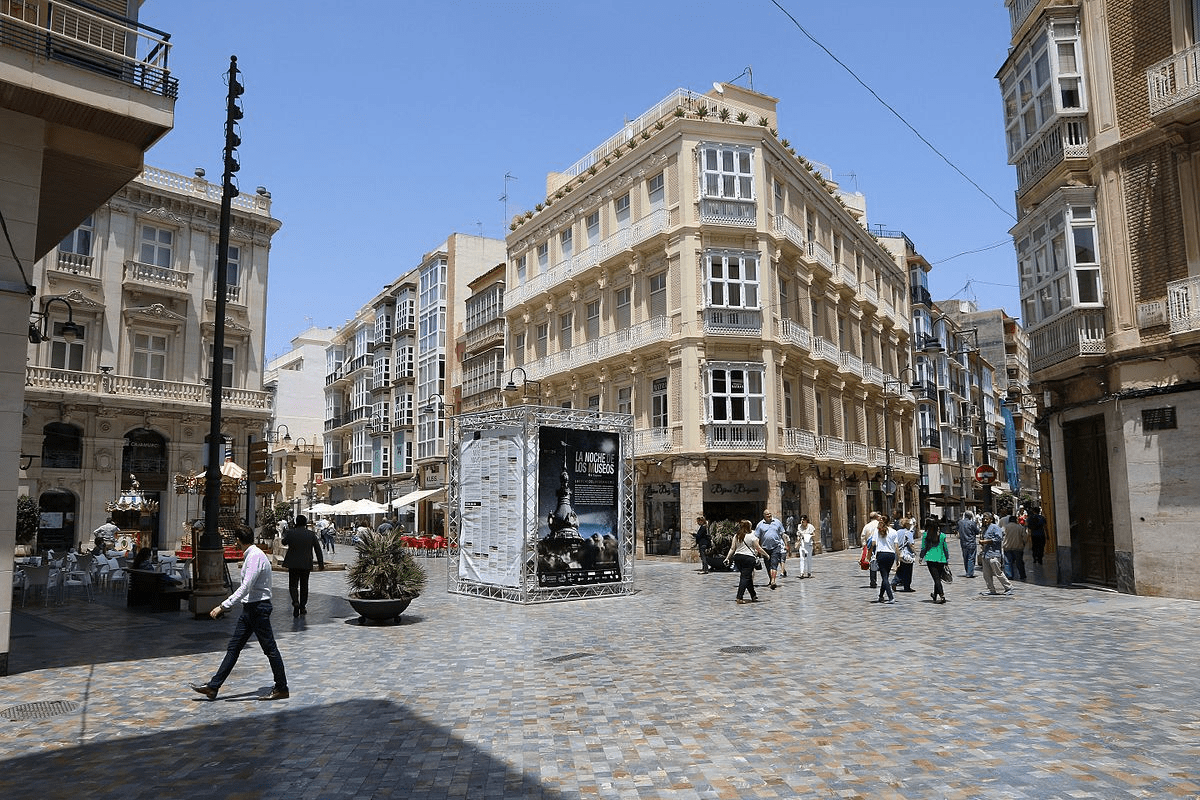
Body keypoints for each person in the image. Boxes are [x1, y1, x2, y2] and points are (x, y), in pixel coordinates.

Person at [190, 526, 289, 701]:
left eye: (236, 539)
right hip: (250, 609)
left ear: (239, 540)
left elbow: (246, 587)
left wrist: (223, 606)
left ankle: (281, 687)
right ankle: (213, 687)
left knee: (270, 649)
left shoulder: (255, 557)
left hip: (258, 608)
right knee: (234, 648)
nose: (235, 542)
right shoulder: (253, 555)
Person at [281, 515, 324, 617]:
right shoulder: (311, 534)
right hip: (306, 564)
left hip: (293, 563)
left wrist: (286, 534)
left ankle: (295, 601)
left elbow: (283, 542)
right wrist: (321, 563)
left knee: (293, 585)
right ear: (305, 523)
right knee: (304, 586)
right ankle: (303, 606)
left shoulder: (291, 533)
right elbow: (318, 549)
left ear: (296, 522)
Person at [723, 519, 771, 604]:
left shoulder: (737, 535)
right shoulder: (752, 536)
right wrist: (766, 555)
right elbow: (758, 548)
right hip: (748, 558)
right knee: (745, 577)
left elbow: (732, 548)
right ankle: (739, 597)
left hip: (738, 558)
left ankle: (753, 595)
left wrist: (727, 558)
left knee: (747, 577)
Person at [978, 512, 1014, 596]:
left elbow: (998, 538)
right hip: (985, 554)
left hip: (993, 554)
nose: (985, 520)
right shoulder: (985, 529)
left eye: (987, 519)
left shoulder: (995, 527)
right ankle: (991, 589)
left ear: (991, 519)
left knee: (998, 572)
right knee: (986, 574)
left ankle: (1008, 587)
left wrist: (985, 541)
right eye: (984, 519)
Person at [868, 513, 899, 604]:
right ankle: (881, 596)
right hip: (891, 555)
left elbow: (873, 544)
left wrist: (868, 556)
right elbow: (896, 546)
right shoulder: (894, 532)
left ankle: (891, 597)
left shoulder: (877, 531)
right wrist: (898, 559)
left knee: (884, 577)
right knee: (885, 576)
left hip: (881, 554)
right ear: (889, 522)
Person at [919, 516, 950, 603]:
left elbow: (924, 548)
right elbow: (945, 548)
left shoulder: (926, 535)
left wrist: (921, 557)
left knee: (936, 579)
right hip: (941, 558)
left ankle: (942, 595)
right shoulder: (942, 536)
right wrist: (947, 558)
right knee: (937, 578)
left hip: (930, 558)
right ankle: (935, 595)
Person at [753, 509, 785, 590]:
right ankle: (771, 579)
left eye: (770, 514)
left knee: (774, 564)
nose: (769, 515)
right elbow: (757, 537)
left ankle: (773, 581)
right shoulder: (760, 525)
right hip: (765, 548)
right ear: (764, 515)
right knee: (768, 565)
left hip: (776, 547)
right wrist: (757, 548)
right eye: (767, 514)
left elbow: (782, 534)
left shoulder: (777, 522)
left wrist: (785, 545)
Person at [891, 517, 917, 592]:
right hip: (907, 553)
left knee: (900, 569)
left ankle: (894, 582)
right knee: (908, 571)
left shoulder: (897, 532)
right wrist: (915, 552)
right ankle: (907, 586)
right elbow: (911, 544)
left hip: (899, 553)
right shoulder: (908, 532)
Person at [1002, 514, 1029, 581]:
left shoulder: (1005, 527)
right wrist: (1024, 543)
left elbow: (1001, 537)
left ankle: (1009, 576)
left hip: (1007, 547)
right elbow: (1025, 537)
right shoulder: (1020, 527)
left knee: (1008, 562)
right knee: (1019, 562)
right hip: (1018, 547)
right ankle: (1022, 575)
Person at [860, 512, 881, 588]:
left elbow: (863, 536)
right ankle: (885, 578)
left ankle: (873, 581)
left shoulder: (867, 526)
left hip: (870, 546)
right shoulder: (879, 524)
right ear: (876, 517)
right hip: (879, 545)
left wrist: (864, 546)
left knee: (873, 562)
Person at [956, 511, 979, 578]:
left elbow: (957, 529)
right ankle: (970, 573)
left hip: (963, 543)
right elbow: (977, 532)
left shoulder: (960, 522)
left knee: (965, 557)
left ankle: (967, 571)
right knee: (971, 558)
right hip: (971, 542)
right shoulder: (972, 523)